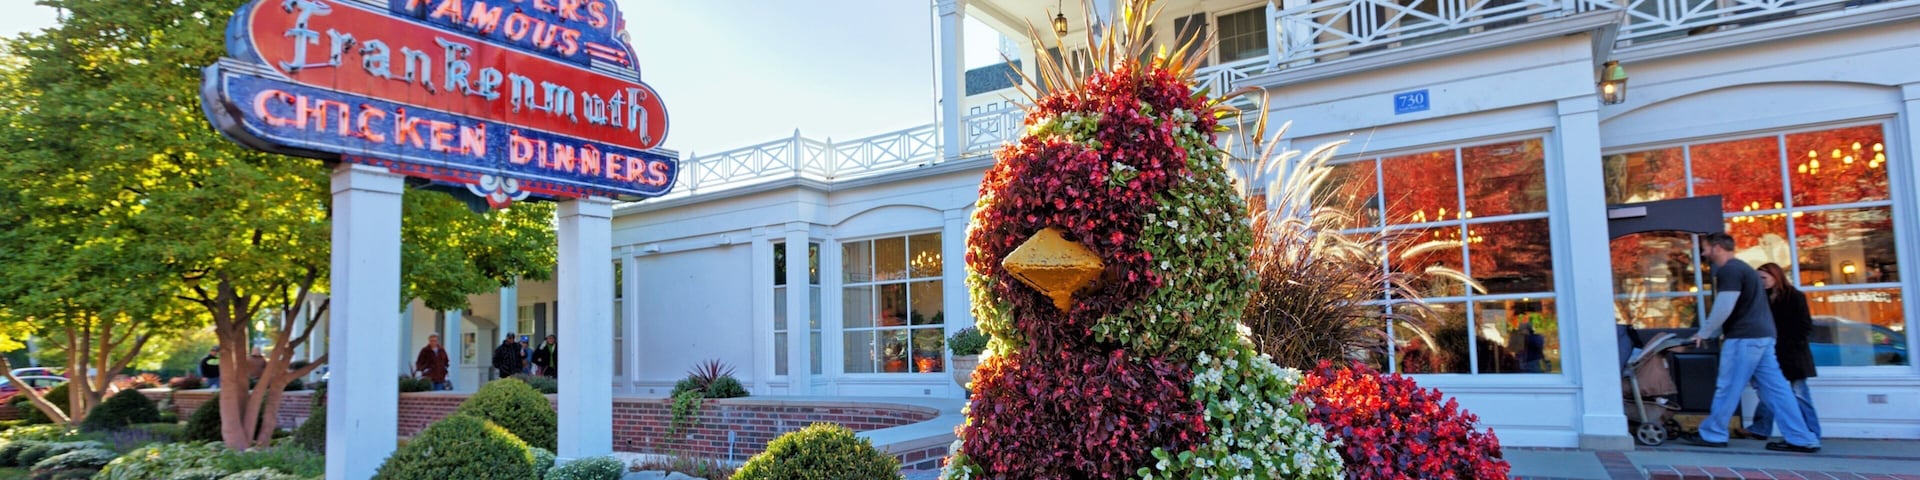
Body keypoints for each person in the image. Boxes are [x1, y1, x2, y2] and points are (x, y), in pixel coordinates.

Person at [1685, 233, 1820, 453]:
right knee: (1776, 390)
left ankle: (1714, 434)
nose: (1703, 253)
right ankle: (1802, 438)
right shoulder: (1744, 269)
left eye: (1705, 248)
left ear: (1717, 248)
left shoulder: (1729, 270)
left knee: (1728, 387)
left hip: (1744, 338)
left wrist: (1705, 332)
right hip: (1763, 337)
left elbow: (1725, 305)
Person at [1744, 262, 1820, 440]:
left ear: (1775, 276)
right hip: (1771, 351)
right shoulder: (1760, 298)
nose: (1760, 282)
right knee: (1769, 391)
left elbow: (1805, 326)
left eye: (1763, 278)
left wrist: (1789, 343)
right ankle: (1760, 427)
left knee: (1799, 394)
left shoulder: (1794, 297)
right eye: (1758, 278)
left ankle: (1812, 431)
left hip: (1792, 353)